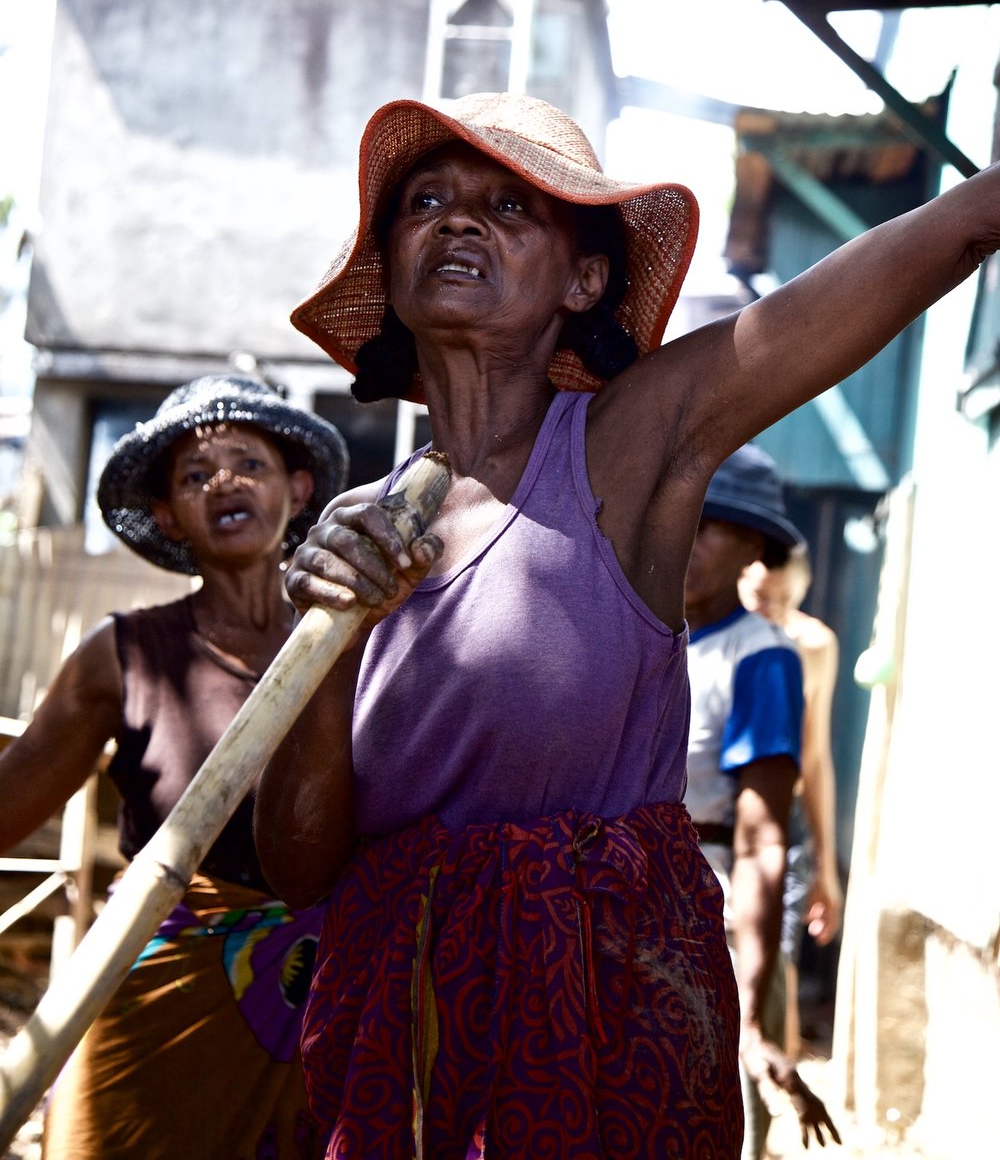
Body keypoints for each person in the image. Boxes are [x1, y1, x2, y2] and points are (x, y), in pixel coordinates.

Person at [254, 89, 1000, 1159]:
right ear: (394, 264)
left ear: (584, 277)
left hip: (602, 1016)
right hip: (404, 1035)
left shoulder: (630, 442)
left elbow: (932, 239)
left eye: (510, 207)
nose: (458, 220)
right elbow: (297, 867)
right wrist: (328, 638)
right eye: (426, 201)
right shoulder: (357, 533)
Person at [0, 374, 349, 1160]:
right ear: (168, 515)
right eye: (195, 475)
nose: (224, 481)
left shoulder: (356, 641)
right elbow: (9, 804)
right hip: (163, 988)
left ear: (296, 489)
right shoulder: (120, 656)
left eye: (248, 464)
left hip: (326, 996)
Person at [684, 444, 836, 1158]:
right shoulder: (635, 635)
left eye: (711, 524)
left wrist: (755, 1011)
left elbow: (760, 841)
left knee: (720, 1120)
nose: (687, 534)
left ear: (752, 544)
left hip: (709, 926)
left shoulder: (759, 657)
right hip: (607, 915)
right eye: (680, 514)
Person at [740, 542, 843, 1060]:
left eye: (781, 600)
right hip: (720, 821)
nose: (768, 610)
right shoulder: (715, 637)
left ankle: (773, 1101)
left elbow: (816, 756)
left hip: (787, 823)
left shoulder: (814, 644)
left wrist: (827, 867)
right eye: (760, 597)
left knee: (778, 959)